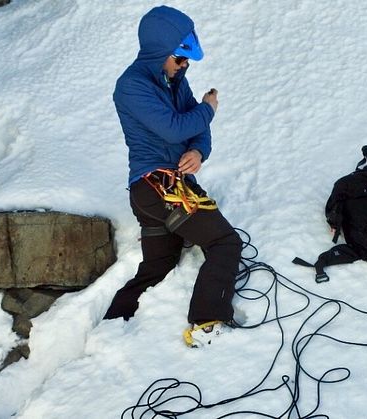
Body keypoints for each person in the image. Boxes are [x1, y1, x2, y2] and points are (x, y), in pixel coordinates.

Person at [104, 5, 242, 348]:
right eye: (179, 59)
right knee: (226, 243)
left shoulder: (176, 81)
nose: (184, 66)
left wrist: (198, 152)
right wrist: (208, 109)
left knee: (160, 265)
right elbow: (174, 128)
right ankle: (208, 323)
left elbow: (196, 131)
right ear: (159, 53)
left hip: (167, 187)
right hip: (158, 187)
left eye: (186, 61)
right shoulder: (131, 87)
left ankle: (112, 326)